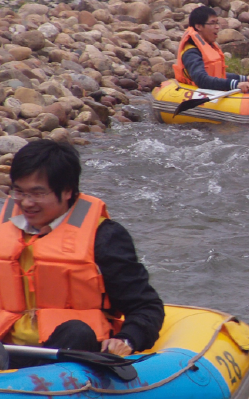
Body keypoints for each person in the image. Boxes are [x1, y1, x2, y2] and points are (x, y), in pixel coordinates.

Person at [0, 140, 164, 369]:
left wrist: (126, 339)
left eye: (37, 193)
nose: (26, 203)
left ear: (67, 191)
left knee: (76, 330)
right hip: (9, 351)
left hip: (68, 351)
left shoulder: (105, 237)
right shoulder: (5, 230)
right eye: (19, 191)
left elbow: (146, 307)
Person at [174, 6, 249, 93]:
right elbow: (202, 80)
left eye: (218, 23)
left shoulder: (206, 45)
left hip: (221, 89)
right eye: (213, 23)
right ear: (198, 26)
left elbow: (217, 74)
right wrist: (235, 84)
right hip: (210, 94)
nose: (217, 27)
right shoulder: (191, 52)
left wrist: (243, 79)